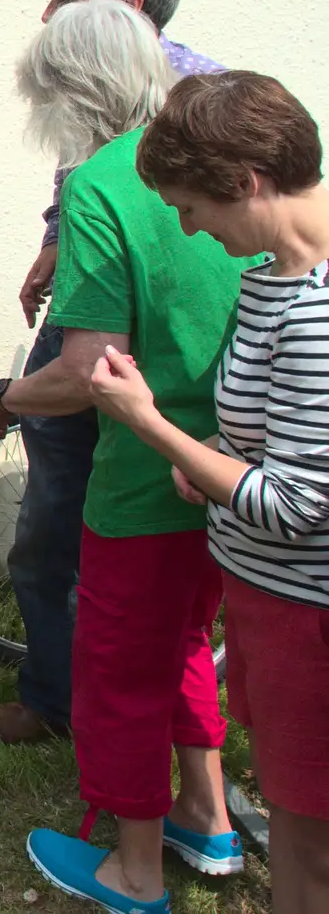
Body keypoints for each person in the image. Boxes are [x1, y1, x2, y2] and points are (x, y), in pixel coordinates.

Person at [0, 0, 249, 913]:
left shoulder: (102, 181)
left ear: (68, 95)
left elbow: (87, 368)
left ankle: (132, 866)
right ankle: (206, 819)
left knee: (119, 665)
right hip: (229, 464)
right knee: (188, 647)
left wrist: (0, 399)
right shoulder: (214, 162)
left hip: (141, 474)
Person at [0, 0, 229, 746]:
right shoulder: (114, 140)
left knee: (107, 540)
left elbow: (90, 365)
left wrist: (5, 397)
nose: (47, 10)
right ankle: (102, 713)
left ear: (125, 9)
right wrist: (57, 246)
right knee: (74, 532)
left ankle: (109, 726)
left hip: (132, 359)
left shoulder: (203, 113)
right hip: (124, 344)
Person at [91, 71, 329, 914]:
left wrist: (151, 425)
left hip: (309, 618)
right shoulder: (271, 278)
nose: (189, 227)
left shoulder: (313, 310)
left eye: (192, 206)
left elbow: (298, 504)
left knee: (307, 851)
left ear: (246, 182)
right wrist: (216, 454)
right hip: (264, 600)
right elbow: (270, 433)